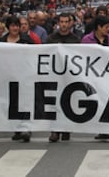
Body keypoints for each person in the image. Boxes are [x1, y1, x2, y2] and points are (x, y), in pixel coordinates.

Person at [82, 16, 109, 140]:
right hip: (93, 76)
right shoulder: (87, 40)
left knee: (107, 101)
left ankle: (105, 129)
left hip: (108, 75)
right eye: (106, 27)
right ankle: (99, 127)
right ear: (98, 27)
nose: (108, 30)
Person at [0, 15, 33, 142]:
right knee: (11, 103)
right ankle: (17, 129)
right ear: (8, 27)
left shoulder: (27, 40)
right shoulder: (1, 42)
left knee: (24, 103)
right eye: (12, 25)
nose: (15, 28)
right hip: (7, 77)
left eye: (17, 25)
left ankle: (26, 128)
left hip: (23, 77)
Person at [46, 13, 81, 142]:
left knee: (68, 101)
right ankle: (55, 130)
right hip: (54, 75)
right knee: (54, 102)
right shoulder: (51, 39)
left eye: (66, 21)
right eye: (62, 21)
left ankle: (66, 128)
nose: (64, 24)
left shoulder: (75, 39)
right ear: (58, 23)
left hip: (69, 75)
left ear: (71, 23)